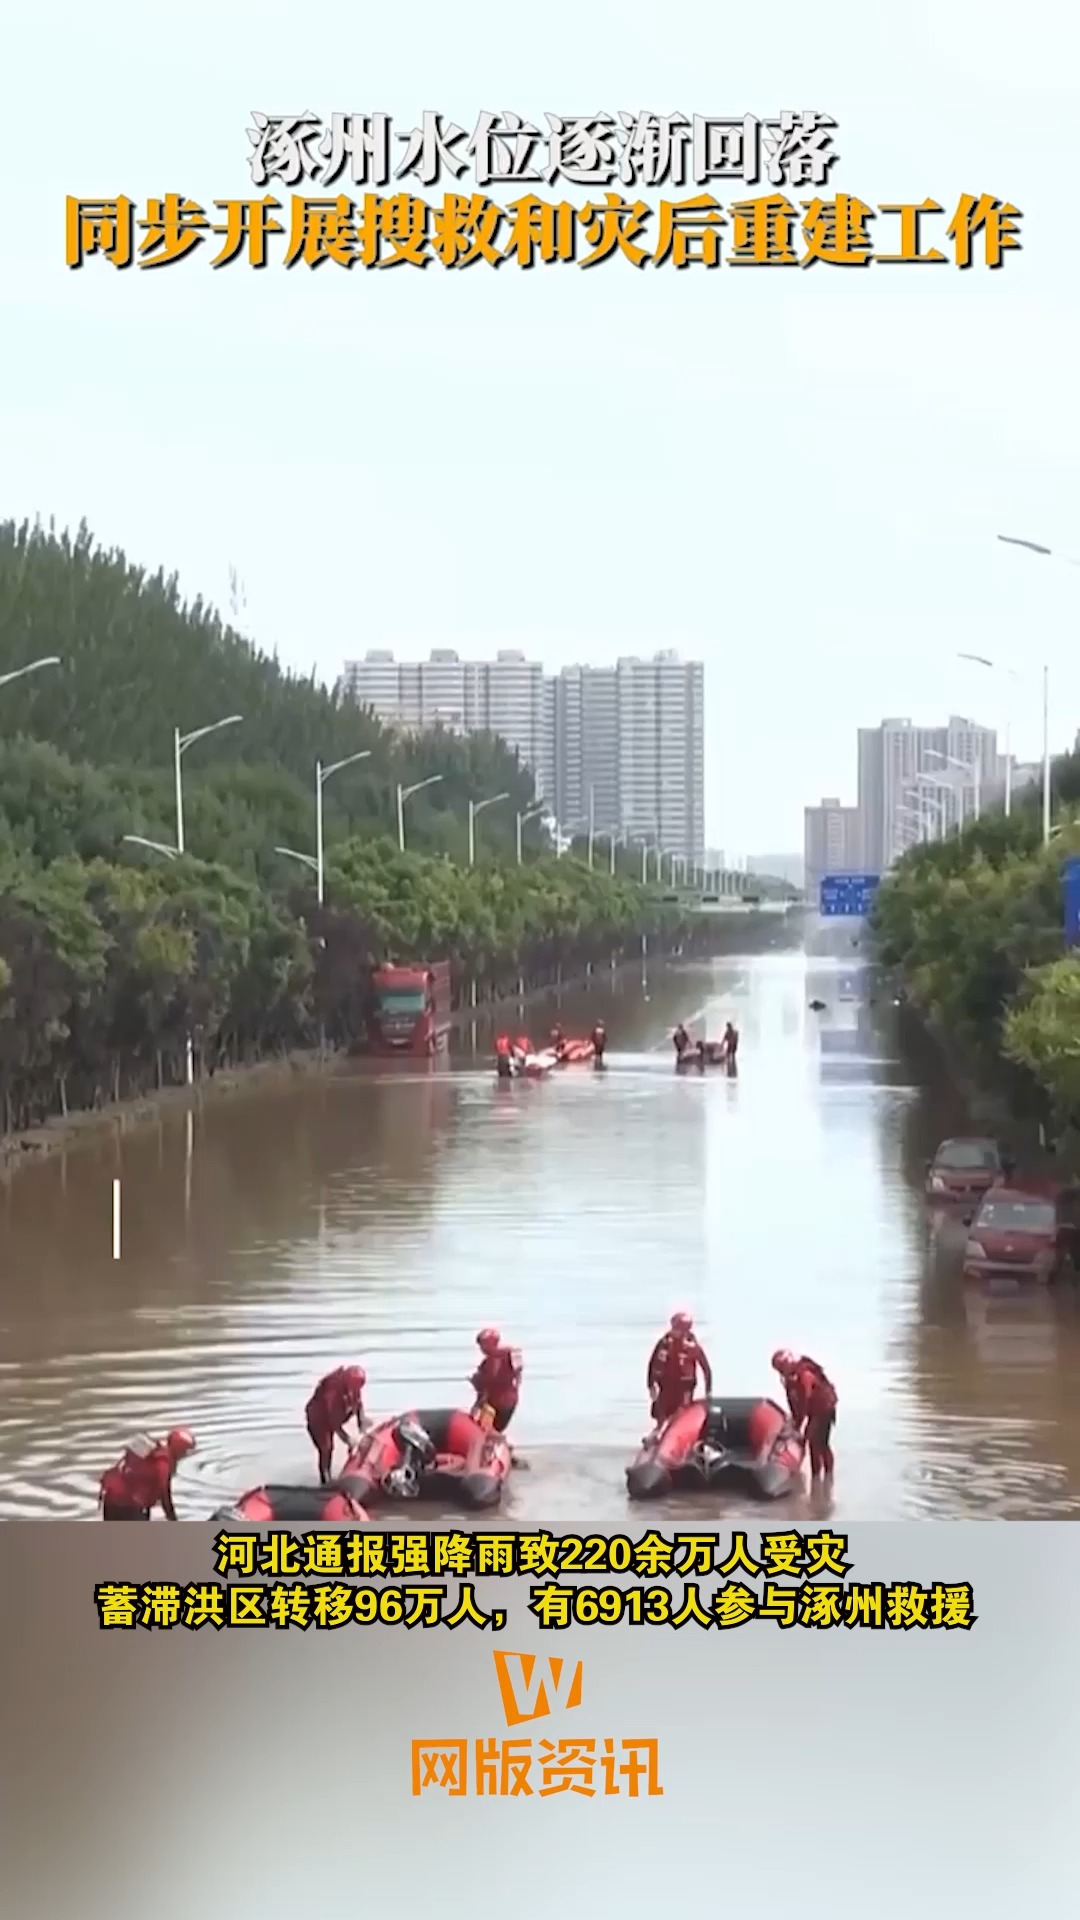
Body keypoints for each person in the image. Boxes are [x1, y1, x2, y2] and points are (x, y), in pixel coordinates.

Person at [99, 1428, 196, 1520]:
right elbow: (165, 1498)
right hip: (130, 1507)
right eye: (186, 1451)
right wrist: (174, 1520)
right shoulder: (163, 1464)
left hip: (110, 1499)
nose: (185, 1455)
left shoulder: (154, 1454)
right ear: (179, 1449)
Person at [771, 1349, 837, 1480]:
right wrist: (795, 1421)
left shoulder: (804, 1374)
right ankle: (818, 1479)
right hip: (813, 1409)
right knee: (815, 1443)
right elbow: (792, 1400)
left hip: (824, 1407)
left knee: (818, 1443)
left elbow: (804, 1399)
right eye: (779, 1370)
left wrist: (799, 1423)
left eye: (782, 1368)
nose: (782, 1372)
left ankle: (822, 1478)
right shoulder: (789, 1378)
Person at [647, 1312, 713, 1426]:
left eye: (678, 1329)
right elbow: (653, 1364)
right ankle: (660, 1432)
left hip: (684, 1389)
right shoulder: (664, 1343)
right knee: (662, 1415)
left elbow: (706, 1368)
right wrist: (651, 1385)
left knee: (681, 1415)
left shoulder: (693, 1347)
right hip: (666, 1387)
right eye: (674, 1328)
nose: (674, 1332)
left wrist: (708, 1391)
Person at [305, 1365, 367, 1484]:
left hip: (333, 1416)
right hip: (318, 1419)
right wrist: (348, 1440)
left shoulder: (353, 1385)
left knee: (330, 1447)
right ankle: (325, 1480)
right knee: (326, 1448)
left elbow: (358, 1403)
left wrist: (361, 1422)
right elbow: (334, 1423)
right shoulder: (332, 1393)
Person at [470, 1327, 522, 1432]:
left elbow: (516, 1373)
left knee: (490, 1427)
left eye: (483, 1345)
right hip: (500, 1401)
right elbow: (517, 1373)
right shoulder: (486, 1364)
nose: (482, 1349)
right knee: (489, 1426)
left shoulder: (506, 1355)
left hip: (501, 1402)